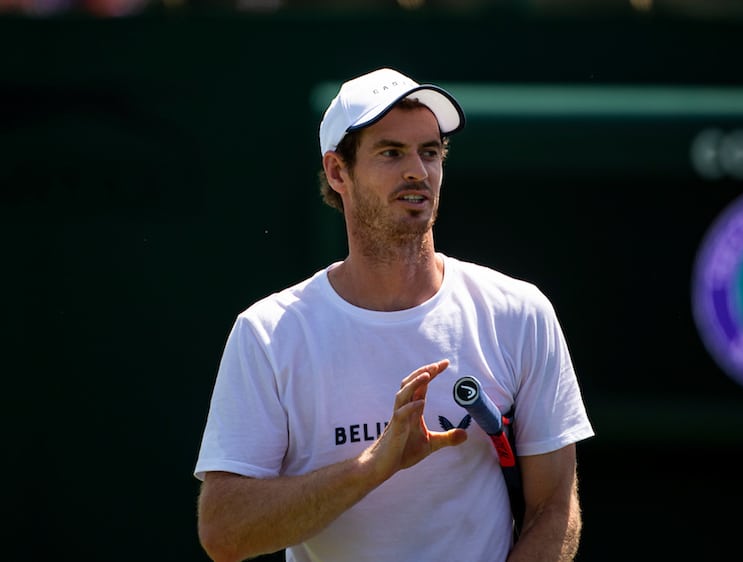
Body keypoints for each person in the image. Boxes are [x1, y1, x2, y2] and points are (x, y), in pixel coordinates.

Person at [194, 67, 595, 562]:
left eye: (430, 152)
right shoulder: (268, 334)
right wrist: (374, 465)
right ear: (338, 172)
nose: (418, 172)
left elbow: (553, 510)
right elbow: (225, 533)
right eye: (391, 153)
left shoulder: (519, 312)